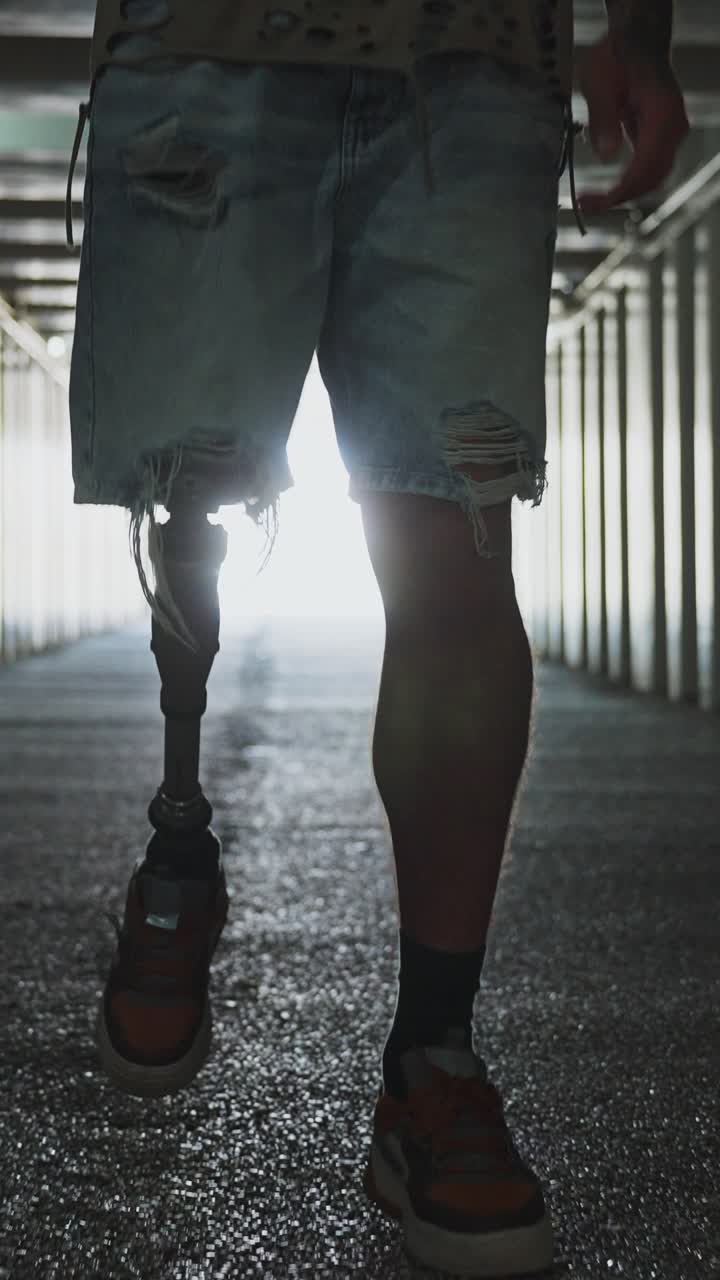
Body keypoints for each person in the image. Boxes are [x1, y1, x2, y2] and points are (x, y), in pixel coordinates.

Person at [66, 0, 689, 1274]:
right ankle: (179, 838)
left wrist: (642, 33)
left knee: (457, 538)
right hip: (211, 36)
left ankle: (434, 1060)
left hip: (476, 56)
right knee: (190, 476)